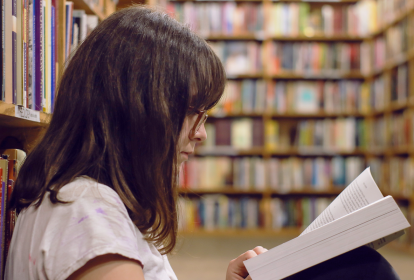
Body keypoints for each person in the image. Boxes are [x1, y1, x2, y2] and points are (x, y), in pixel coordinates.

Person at [4, 5, 401, 280]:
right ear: (140, 107)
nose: (202, 133)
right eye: (194, 111)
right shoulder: (89, 218)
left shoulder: (74, 198)